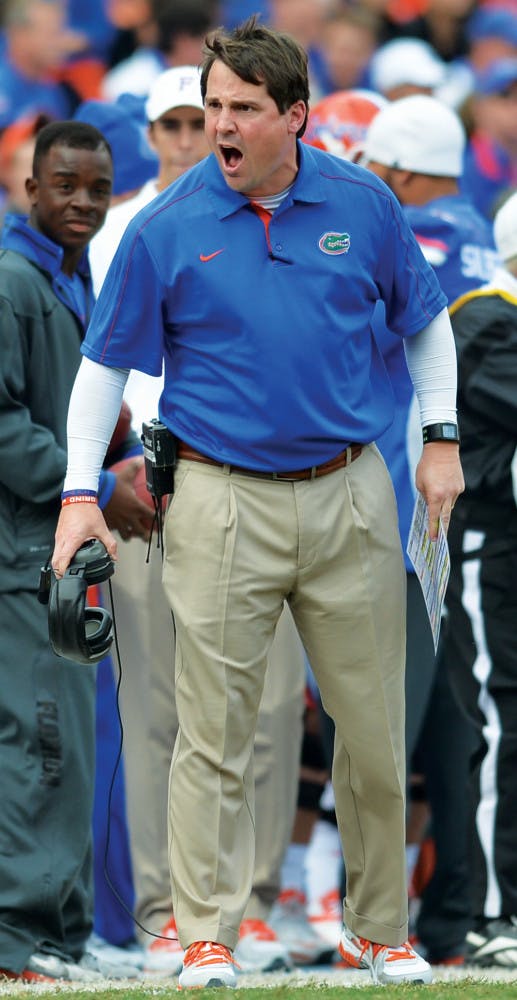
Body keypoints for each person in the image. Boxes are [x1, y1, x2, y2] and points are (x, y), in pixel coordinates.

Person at [52, 16, 464, 990]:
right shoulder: (165, 224)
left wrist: (440, 440)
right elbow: (103, 369)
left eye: (241, 110)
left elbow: (427, 324)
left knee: (369, 730)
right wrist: (78, 493)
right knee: (214, 732)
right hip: (218, 492)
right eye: (213, 108)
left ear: (295, 116)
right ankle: (207, 934)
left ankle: (380, 930)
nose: (221, 127)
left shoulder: (363, 202)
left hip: (349, 486)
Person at [89, 64, 306, 976]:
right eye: (182, 119)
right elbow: (94, 373)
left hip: (258, 478)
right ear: (156, 131)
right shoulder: (114, 232)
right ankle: (165, 908)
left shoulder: (278, 214)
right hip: (151, 485)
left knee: (266, 706)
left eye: (212, 115)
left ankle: (248, 905)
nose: (195, 134)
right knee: (158, 709)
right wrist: (99, 483)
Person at [0, 119, 154, 984]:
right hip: (24, 552)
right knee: (40, 743)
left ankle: (61, 934)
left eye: (97, 188)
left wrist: (119, 456)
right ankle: (20, 942)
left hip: (60, 547)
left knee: (67, 749)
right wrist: (88, 485)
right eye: (65, 186)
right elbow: (1, 425)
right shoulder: (12, 282)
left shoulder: (68, 278)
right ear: (30, 188)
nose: (84, 203)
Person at [362, 92, 498, 965]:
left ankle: (394, 907)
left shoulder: (402, 239)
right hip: (481, 504)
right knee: (461, 709)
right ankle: (458, 903)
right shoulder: (488, 234)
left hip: (408, 495)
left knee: (378, 711)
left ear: (401, 171)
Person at [443, 189, 517, 970]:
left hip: (502, 553)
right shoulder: (488, 318)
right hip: (487, 553)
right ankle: (491, 910)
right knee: (497, 725)